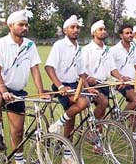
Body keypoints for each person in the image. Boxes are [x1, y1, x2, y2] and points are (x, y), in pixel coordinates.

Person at [0, 10, 48, 164]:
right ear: (10, 26)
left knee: (18, 132)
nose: (25, 27)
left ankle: (19, 162)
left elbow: (35, 69)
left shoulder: (30, 45)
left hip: (18, 92)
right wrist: (4, 91)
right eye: (21, 25)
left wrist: (41, 92)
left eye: (26, 25)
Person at [45, 15, 96, 162]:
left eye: (77, 27)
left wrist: (88, 88)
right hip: (62, 85)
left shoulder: (78, 48)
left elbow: (81, 72)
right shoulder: (59, 45)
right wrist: (60, 86)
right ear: (65, 30)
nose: (75, 30)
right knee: (83, 103)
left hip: (75, 85)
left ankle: (67, 156)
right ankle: (58, 124)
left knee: (72, 120)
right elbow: (49, 67)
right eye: (72, 27)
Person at [82, 20, 124, 121]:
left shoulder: (107, 50)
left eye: (104, 29)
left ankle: (97, 132)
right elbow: (81, 69)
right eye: (100, 29)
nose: (103, 31)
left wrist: (120, 78)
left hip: (104, 83)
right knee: (104, 102)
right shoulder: (87, 49)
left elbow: (112, 68)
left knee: (102, 112)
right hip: (92, 84)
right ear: (93, 33)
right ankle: (91, 125)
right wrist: (88, 78)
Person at [110, 24, 136, 111]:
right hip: (120, 83)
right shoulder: (114, 50)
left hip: (133, 81)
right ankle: (121, 120)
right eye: (127, 33)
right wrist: (121, 78)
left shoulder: (133, 48)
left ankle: (133, 124)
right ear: (121, 35)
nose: (130, 35)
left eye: (131, 33)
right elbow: (111, 69)